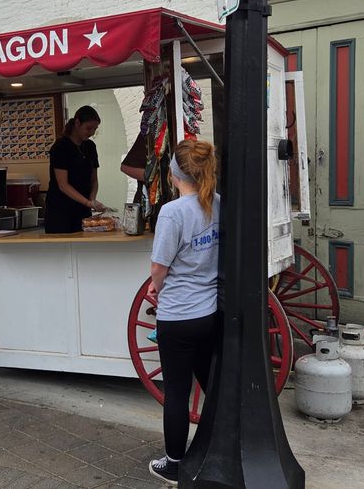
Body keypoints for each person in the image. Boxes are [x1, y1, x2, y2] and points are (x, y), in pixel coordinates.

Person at [146, 139, 220, 485]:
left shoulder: (173, 212)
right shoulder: (217, 205)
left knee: (176, 391)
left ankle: (174, 463)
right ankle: (217, 448)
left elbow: (159, 265)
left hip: (177, 315)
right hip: (209, 312)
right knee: (212, 384)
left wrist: (154, 287)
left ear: (174, 173)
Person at [44, 106, 105, 234]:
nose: (92, 133)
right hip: (60, 210)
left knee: (83, 248)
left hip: (83, 210)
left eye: (95, 129)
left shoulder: (90, 147)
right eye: (89, 128)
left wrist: (92, 199)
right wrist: (88, 202)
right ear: (77, 123)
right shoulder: (61, 147)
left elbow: (94, 180)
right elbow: (63, 185)